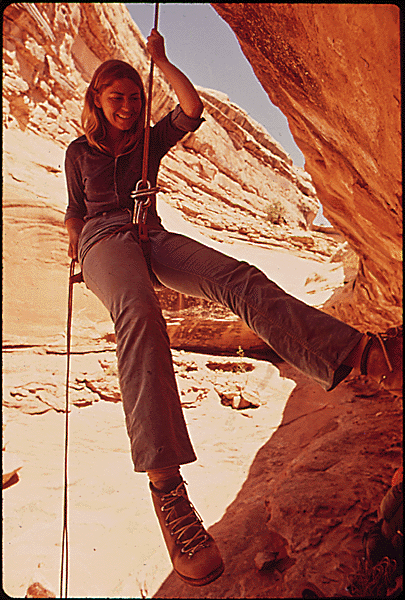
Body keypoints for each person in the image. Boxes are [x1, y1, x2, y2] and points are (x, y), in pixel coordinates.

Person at [64, 29, 402, 587]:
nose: (126, 105)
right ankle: (169, 495)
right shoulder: (80, 152)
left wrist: (163, 63)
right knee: (142, 313)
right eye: (114, 97)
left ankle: (364, 355)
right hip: (103, 241)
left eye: (133, 97)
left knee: (238, 278)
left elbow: (192, 109)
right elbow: (76, 210)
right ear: (96, 101)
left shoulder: (150, 141)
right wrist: (74, 243)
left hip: (150, 234)